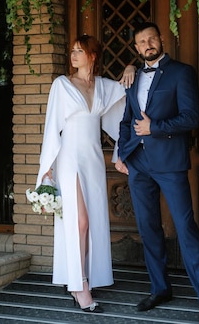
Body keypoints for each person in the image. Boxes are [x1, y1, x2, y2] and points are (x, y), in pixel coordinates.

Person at [114, 22, 199, 323]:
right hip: (139, 164)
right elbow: (126, 121)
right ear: (136, 49)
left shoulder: (181, 72)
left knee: (185, 228)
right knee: (148, 229)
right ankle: (160, 289)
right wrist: (122, 153)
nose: (147, 44)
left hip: (170, 162)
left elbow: (191, 117)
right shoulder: (132, 77)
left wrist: (154, 128)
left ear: (161, 39)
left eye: (151, 38)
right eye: (141, 42)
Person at [36, 34, 135, 313]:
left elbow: (126, 101)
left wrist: (130, 68)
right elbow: (51, 127)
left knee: (92, 222)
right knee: (79, 222)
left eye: (80, 51)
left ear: (92, 55)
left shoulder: (103, 87)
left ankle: (86, 277)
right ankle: (79, 286)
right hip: (69, 159)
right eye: (72, 51)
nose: (74, 55)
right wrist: (46, 170)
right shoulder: (62, 85)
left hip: (93, 160)